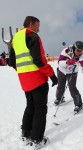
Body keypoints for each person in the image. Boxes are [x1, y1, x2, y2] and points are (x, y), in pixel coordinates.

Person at [9, 16, 58, 148]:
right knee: (40, 109)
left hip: (24, 79)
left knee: (30, 106)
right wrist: (52, 75)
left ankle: (26, 133)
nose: (39, 29)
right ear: (31, 24)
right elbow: (39, 61)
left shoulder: (16, 39)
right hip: (37, 78)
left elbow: (11, 61)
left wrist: (22, 72)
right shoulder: (32, 36)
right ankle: (37, 139)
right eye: (37, 25)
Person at [54, 41, 83, 112]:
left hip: (72, 72)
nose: (79, 52)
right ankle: (59, 99)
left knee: (72, 88)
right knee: (60, 85)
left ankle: (79, 105)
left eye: (81, 51)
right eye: (78, 50)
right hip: (61, 70)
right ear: (74, 48)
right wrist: (67, 62)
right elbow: (60, 62)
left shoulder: (81, 55)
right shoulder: (66, 51)